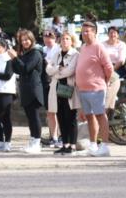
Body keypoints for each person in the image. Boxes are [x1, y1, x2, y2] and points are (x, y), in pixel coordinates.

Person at [75, 21, 114, 156]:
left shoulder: (99, 47)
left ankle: (104, 146)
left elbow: (109, 68)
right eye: (83, 31)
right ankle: (92, 145)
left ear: (94, 32)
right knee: (89, 117)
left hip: (96, 88)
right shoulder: (83, 47)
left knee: (100, 116)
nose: (84, 34)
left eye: (87, 31)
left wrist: (105, 81)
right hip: (83, 89)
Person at [10, 29, 45, 153]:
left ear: (32, 39)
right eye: (22, 40)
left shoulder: (35, 53)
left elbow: (25, 68)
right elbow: (17, 70)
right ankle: (32, 140)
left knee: (34, 117)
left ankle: (37, 142)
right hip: (25, 89)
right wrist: (14, 58)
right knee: (30, 117)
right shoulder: (24, 54)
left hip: (34, 89)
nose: (25, 42)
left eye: (27, 39)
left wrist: (15, 58)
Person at [47, 32, 79, 154]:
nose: (65, 41)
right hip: (57, 88)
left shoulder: (75, 54)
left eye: (67, 39)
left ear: (72, 41)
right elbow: (48, 69)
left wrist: (57, 71)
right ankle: (65, 144)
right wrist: (58, 69)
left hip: (69, 88)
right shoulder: (56, 53)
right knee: (60, 116)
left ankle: (73, 145)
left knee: (70, 117)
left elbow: (70, 71)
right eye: (63, 39)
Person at [41, 29, 61, 148]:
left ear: (55, 38)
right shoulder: (42, 50)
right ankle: (53, 136)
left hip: (57, 81)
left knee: (59, 111)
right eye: (45, 37)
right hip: (45, 82)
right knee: (50, 111)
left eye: (51, 37)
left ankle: (61, 136)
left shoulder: (59, 49)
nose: (48, 39)